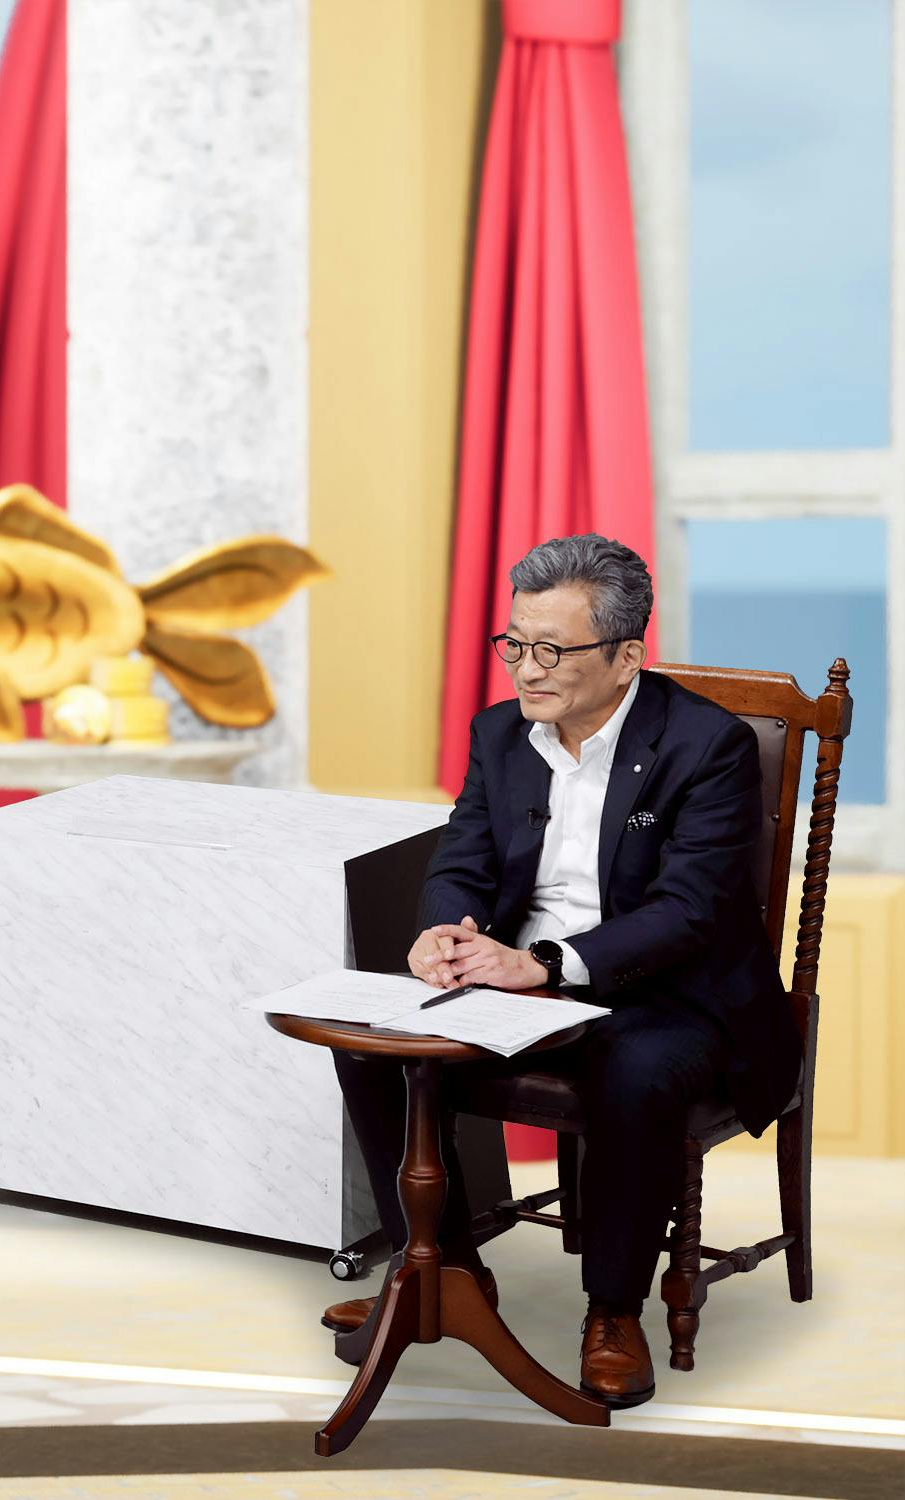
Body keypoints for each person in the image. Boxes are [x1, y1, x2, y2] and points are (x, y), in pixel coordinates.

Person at [325, 534, 801, 1408]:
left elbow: (689, 911)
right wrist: (445, 930)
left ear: (627, 658)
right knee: (368, 1043)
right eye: (513, 643)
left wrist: (544, 965)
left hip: (667, 990)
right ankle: (445, 1272)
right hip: (519, 977)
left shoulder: (709, 745)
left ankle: (613, 1311)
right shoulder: (500, 733)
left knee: (636, 1069)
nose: (525, 670)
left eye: (552, 650)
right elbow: (463, 856)